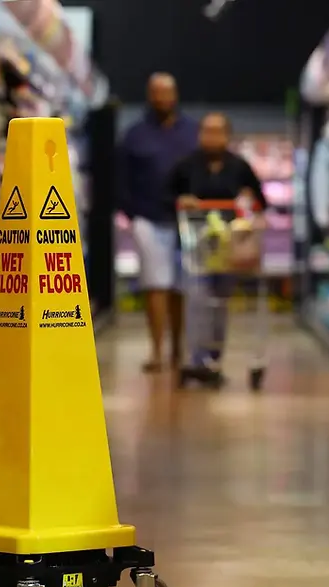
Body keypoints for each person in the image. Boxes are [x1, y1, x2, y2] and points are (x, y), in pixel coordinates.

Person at [166, 111, 267, 380]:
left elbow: (260, 200)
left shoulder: (240, 167)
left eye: (217, 132)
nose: (212, 138)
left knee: (219, 303)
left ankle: (213, 357)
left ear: (227, 135)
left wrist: (249, 199)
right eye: (207, 131)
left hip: (230, 249)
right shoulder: (186, 166)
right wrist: (182, 201)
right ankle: (196, 358)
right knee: (197, 300)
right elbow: (166, 196)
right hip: (194, 247)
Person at [118, 73, 198, 373]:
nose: (162, 98)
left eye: (167, 92)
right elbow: (120, 176)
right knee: (155, 285)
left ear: (175, 95)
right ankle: (156, 350)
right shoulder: (134, 134)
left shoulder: (191, 132)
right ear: (149, 95)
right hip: (148, 218)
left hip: (186, 221)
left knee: (181, 287)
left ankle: (179, 348)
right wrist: (131, 212)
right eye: (156, 92)